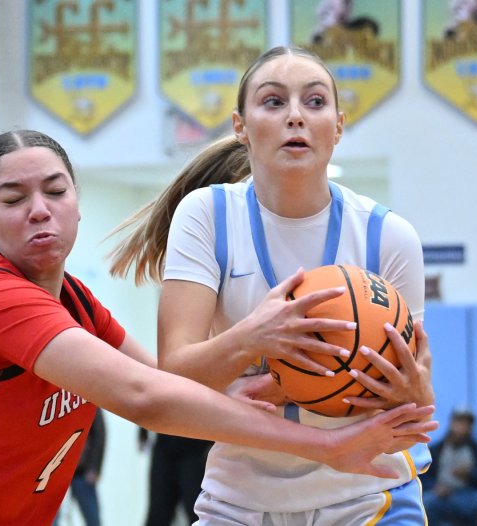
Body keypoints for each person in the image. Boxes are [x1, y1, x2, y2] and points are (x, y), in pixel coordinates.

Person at [0, 129, 437, 526]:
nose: (39, 209)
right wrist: (327, 445)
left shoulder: (77, 303)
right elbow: (146, 398)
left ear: (77, 202)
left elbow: (170, 380)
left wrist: (268, 386)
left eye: (55, 190)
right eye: (13, 198)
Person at [108, 46, 435, 525]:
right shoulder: (207, 216)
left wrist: (414, 394)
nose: (296, 116)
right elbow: (173, 376)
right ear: (240, 125)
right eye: (274, 101)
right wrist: (255, 338)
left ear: (338, 127)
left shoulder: (388, 235)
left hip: (369, 497)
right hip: (239, 501)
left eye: (315, 101)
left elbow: (416, 417)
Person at [421, 407, 477, 526]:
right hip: (441, 496)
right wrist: (435, 487)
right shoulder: (435, 450)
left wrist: (469, 474)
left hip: (468, 494)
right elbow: (422, 475)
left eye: (466, 424)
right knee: (426, 503)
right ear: (451, 423)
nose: (462, 427)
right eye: (459, 422)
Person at [138, 427, 212, 526]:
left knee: (196, 511)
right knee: (158, 511)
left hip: (196, 447)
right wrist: (142, 431)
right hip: (165, 444)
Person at [54, 408, 106, 526]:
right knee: (51, 517)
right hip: (55, 472)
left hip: (81, 471)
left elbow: (99, 432)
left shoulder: (89, 400)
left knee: (92, 516)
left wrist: (95, 468)